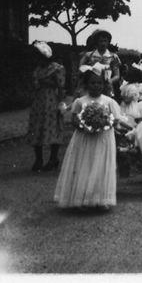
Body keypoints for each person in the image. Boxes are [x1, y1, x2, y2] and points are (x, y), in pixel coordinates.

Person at [53, 65, 129, 210]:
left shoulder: (109, 102)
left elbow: (116, 120)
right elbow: (74, 120)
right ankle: (82, 198)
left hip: (103, 138)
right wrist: (85, 126)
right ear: (86, 84)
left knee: (100, 166)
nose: (96, 86)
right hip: (84, 138)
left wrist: (105, 123)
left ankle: (100, 199)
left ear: (104, 84)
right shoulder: (80, 101)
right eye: (92, 83)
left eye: (99, 83)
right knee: (85, 165)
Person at [27, 41, 66, 172]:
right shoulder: (37, 70)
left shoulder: (56, 68)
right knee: (37, 129)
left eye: (39, 56)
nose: (37, 59)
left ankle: (53, 158)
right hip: (39, 102)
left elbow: (61, 87)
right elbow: (34, 85)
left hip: (52, 102)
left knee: (53, 129)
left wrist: (61, 103)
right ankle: (38, 159)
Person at [80, 29, 121, 97]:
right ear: (96, 42)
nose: (103, 43)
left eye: (105, 41)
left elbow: (117, 75)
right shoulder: (88, 55)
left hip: (106, 88)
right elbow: (80, 70)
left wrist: (110, 81)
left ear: (108, 42)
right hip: (90, 87)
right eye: (100, 41)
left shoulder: (113, 56)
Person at [119, 64, 142, 129]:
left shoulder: (130, 86)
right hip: (130, 106)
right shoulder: (132, 87)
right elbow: (127, 100)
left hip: (128, 106)